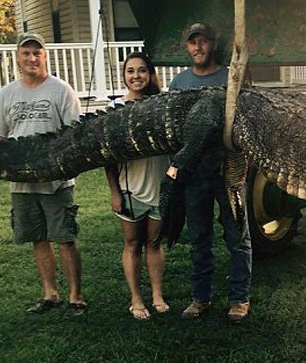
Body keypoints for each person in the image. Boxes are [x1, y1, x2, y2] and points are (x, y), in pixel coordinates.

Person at [0, 32, 86, 316]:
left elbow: (74, 136)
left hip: (56, 181)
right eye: (26, 53)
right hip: (21, 182)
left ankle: (76, 297)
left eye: (37, 53)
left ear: (45, 56)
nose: (32, 58)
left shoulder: (62, 90)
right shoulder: (7, 94)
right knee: (38, 237)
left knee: (65, 238)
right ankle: (50, 294)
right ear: (18, 57)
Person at [168, 22, 253, 322]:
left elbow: (246, 117)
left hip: (228, 168)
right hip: (195, 174)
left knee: (237, 237)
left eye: (203, 41)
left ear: (212, 45)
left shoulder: (230, 77)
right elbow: (174, 129)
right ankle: (200, 298)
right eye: (193, 42)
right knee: (199, 238)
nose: (198, 47)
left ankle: (239, 298)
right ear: (187, 47)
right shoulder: (178, 83)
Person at [105, 51, 170, 320]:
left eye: (142, 70)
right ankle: (136, 298)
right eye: (131, 71)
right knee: (132, 243)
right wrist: (114, 191)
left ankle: (157, 295)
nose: (136, 76)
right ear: (124, 76)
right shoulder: (115, 109)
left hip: (159, 186)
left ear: (150, 74)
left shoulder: (163, 104)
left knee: (154, 243)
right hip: (129, 189)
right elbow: (106, 157)